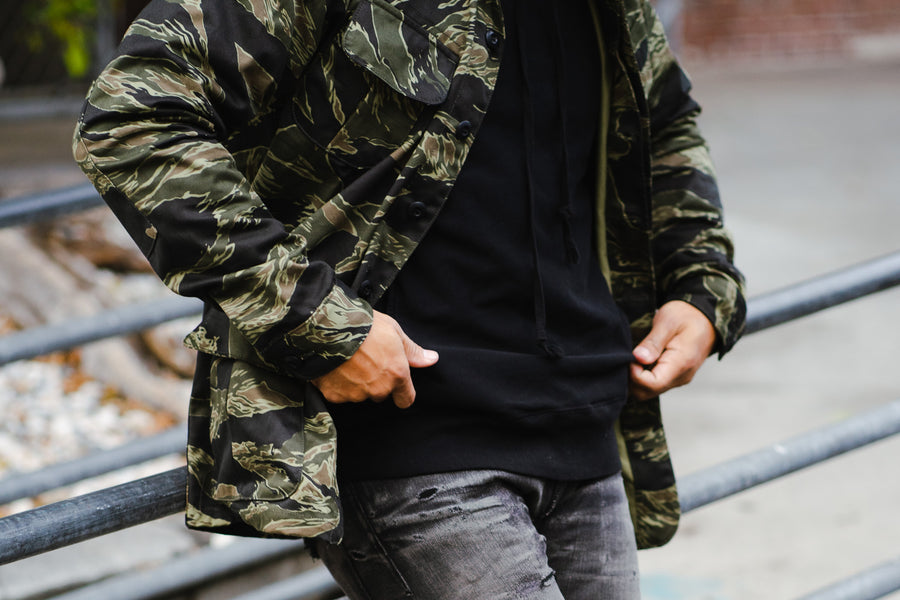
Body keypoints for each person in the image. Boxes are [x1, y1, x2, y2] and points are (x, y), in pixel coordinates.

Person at [74, 0, 745, 597]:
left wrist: (700, 283)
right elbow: (133, 118)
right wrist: (315, 321)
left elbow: (664, 121)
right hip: (412, 441)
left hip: (587, 428)